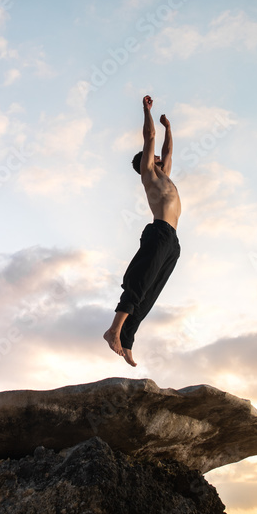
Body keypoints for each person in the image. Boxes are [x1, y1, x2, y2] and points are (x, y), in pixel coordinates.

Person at [103, 95, 182, 367]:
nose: (161, 158)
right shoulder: (148, 173)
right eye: (155, 157)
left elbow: (168, 151)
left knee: (150, 293)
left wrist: (169, 128)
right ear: (147, 162)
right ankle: (113, 330)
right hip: (159, 232)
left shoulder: (165, 175)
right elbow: (150, 138)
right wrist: (147, 111)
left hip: (173, 242)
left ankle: (126, 340)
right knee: (139, 283)